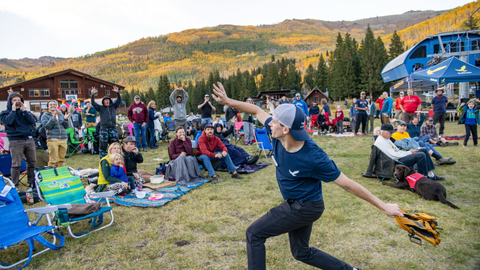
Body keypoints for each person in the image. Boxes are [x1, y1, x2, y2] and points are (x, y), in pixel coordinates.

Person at [211, 82, 402, 270]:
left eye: (274, 121)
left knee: (254, 233)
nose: (270, 123)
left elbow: (348, 184)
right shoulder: (277, 134)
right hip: (302, 203)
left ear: (286, 129)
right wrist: (228, 101)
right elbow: (255, 110)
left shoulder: (314, 157)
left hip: (304, 206)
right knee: (301, 252)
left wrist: (384, 206)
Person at [374, 123, 445, 180]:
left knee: (423, 150)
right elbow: (394, 155)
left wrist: (409, 151)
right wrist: (409, 152)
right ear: (384, 132)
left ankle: (430, 174)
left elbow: (397, 150)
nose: (391, 134)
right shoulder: (381, 141)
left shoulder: (386, 139)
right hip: (396, 161)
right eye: (390, 133)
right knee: (421, 155)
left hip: (399, 156)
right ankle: (423, 178)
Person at [0, 92, 37, 188]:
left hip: (28, 139)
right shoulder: (5, 113)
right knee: (16, 164)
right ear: (10, 102)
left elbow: (32, 121)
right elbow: (8, 122)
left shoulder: (25, 112)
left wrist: (24, 111)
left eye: (18, 100)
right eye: (14, 100)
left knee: (32, 162)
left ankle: (31, 182)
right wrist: (13, 111)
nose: (17, 102)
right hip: (15, 140)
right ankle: (14, 185)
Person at [90, 86, 122, 158]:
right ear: (103, 102)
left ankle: (115, 157)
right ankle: (103, 159)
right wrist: (92, 95)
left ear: (110, 101)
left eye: (108, 100)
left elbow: (119, 100)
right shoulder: (100, 108)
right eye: (105, 100)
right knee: (103, 145)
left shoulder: (113, 106)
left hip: (113, 128)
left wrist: (117, 93)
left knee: (115, 145)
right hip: (104, 129)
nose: (107, 101)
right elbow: (93, 103)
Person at [41, 100, 68, 167]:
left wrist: (66, 120)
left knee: (62, 159)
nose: (53, 105)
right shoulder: (45, 116)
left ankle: (62, 173)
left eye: (54, 104)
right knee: (53, 160)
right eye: (51, 105)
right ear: (48, 107)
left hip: (63, 138)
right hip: (52, 139)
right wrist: (53, 118)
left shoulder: (61, 115)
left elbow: (66, 127)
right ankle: (51, 174)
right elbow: (47, 126)